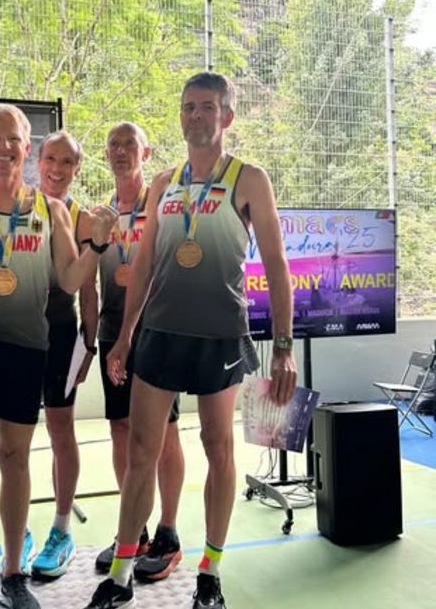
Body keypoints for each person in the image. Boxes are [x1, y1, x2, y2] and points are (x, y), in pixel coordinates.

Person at [83, 72, 297, 609]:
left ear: (227, 116)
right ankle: (121, 576)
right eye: (188, 107)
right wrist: (124, 337)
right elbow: (145, 264)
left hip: (218, 337)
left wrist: (284, 347)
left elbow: (276, 265)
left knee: (217, 447)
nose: (195, 116)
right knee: (140, 451)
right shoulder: (164, 183)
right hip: (158, 334)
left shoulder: (249, 179)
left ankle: (210, 573)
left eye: (206, 107)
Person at [0, 104, 117, 609]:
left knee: (15, 459)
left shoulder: (50, 211)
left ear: (26, 148)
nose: (4, 147)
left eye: (14, 140)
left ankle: (12, 573)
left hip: (27, 352)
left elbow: (69, 279)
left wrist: (96, 246)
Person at [94, 122, 186, 583]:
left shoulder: (162, 204)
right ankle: (137, 530)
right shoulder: (103, 214)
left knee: (164, 434)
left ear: (145, 152)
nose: (121, 151)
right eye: (114, 145)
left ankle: (168, 532)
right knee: (121, 430)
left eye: (130, 144)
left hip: (157, 333)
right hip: (112, 333)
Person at [29, 130, 98, 578]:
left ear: (77, 168)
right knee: (12, 435)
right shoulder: (16, 206)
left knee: (60, 429)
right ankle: (17, 526)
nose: (57, 169)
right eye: (51, 159)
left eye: (67, 162)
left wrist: (89, 345)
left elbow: (88, 290)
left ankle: (61, 527)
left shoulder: (82, 219)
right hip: (16, 333)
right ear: (38, 161)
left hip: (60, 333)